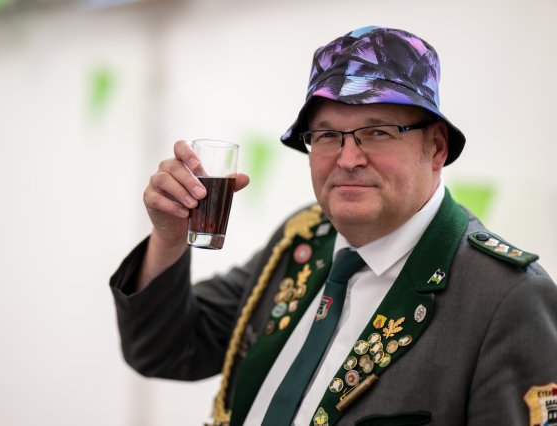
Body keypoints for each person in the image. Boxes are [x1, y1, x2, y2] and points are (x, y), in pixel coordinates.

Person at [109, 26, 557, 426]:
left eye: (377, 132)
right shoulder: (303, 239)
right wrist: (169, 239)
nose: (348, 158)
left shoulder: (505, 298)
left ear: (436, 148)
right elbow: (165, 349)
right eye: (327, 135)